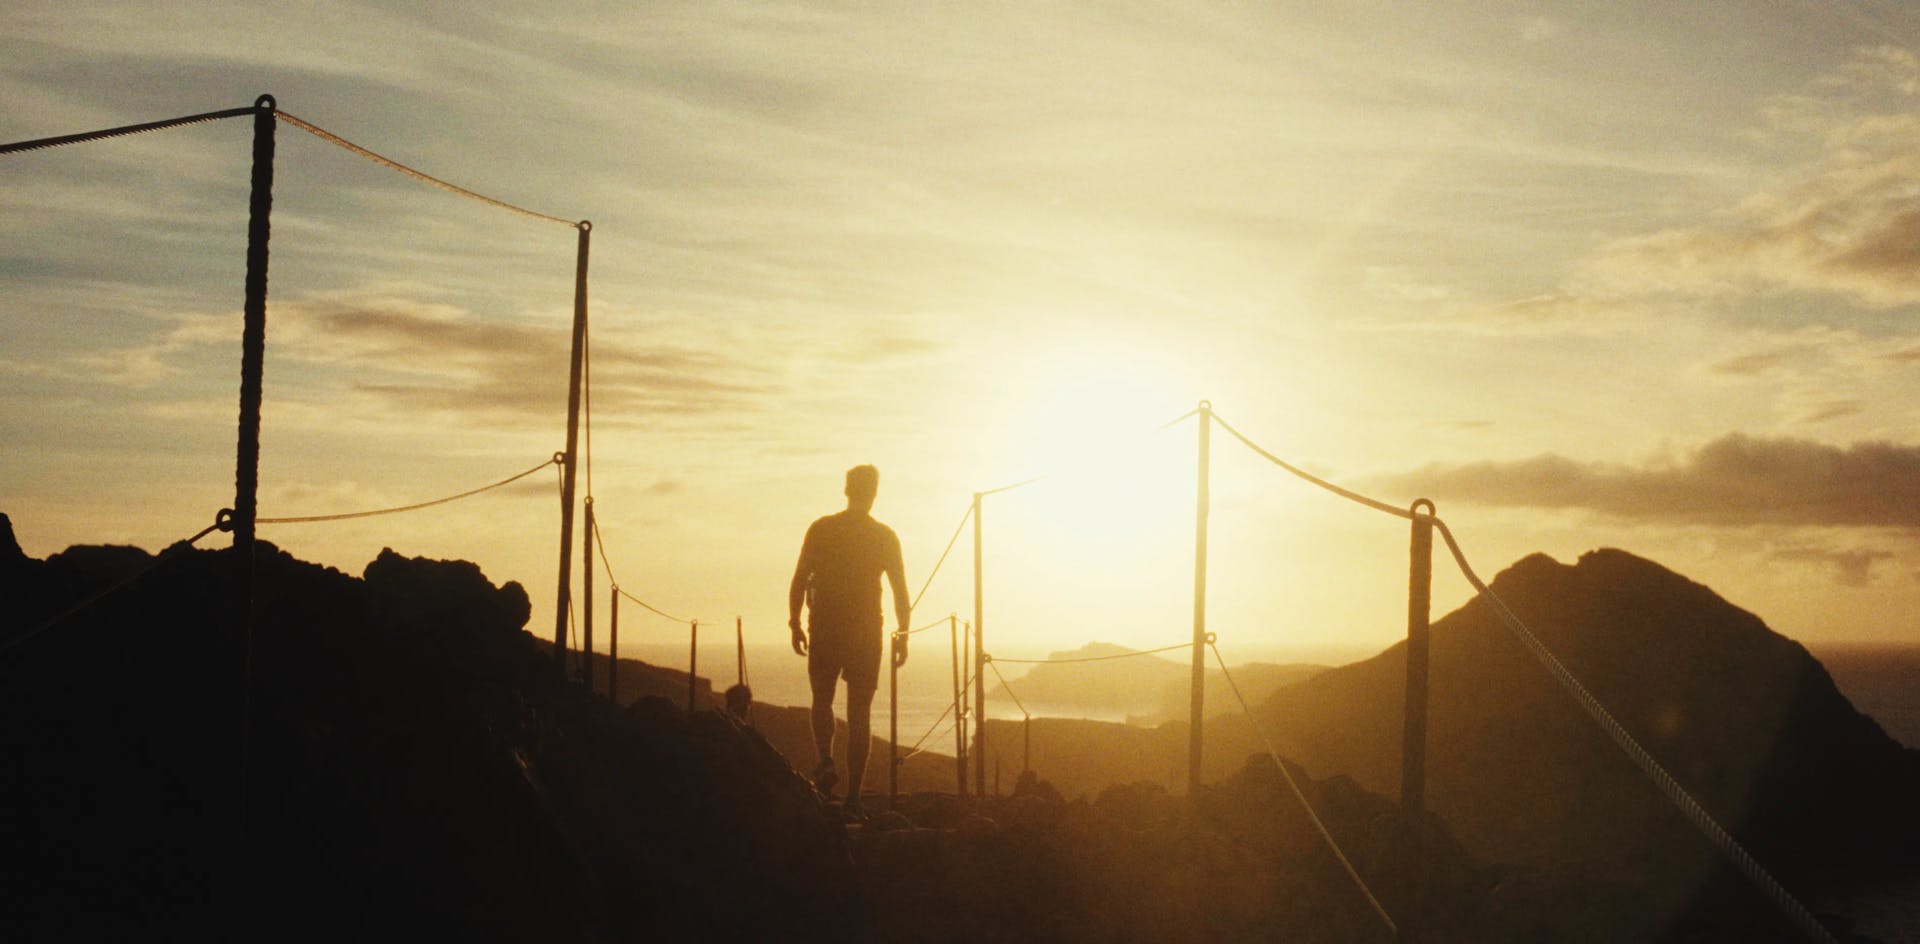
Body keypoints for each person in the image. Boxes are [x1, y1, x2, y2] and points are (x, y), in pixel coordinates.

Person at [789, 464, 909, 822]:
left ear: (846, 489)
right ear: (873, 493)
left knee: (821, 700)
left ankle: (825, 760)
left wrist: (795, 622)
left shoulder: (822, 529)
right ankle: (854, 797)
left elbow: (798, 580)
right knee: (860, 714)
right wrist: (904, 632)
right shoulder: (885, 536)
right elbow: (901, 590)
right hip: (866, 633)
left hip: (825, 625)